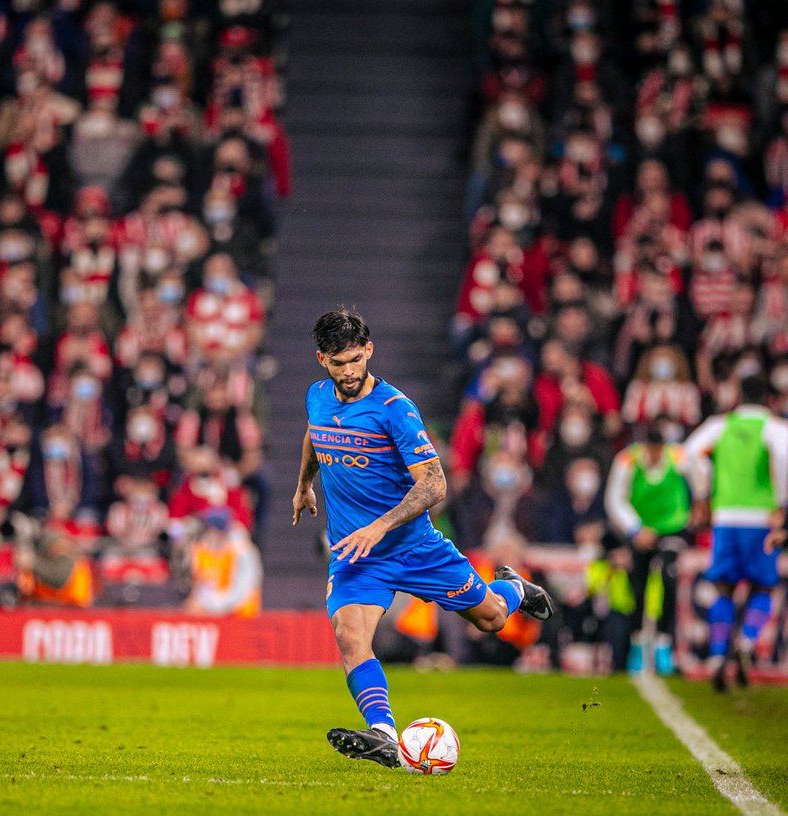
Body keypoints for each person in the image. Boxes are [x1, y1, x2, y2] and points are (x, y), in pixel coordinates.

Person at [292, 308, 553, 767]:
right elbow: (315, 436)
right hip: (358, 555)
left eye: (356, 360)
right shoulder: (317, 397)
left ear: (368, 351)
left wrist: (379, 525)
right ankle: (384, 735)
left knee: (491, 618)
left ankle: (514, 587)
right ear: (322, 360)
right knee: (350, 634)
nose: (349, 372)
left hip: (414, 548)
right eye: (339, 364)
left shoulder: (395, 409)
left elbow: (435, 484)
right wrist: (303, 486)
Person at [683, 376, 788, 692]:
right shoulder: (774, 428)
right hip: (762, 519)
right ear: (769, 400)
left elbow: (688, 453)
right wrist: (782, 502)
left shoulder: (720, 425)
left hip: (725, 517)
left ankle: (717, 657)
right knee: (764, 587)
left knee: (723, 588)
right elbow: (784, 458)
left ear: (738, 396)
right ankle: (746, 641)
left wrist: (703, 493)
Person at [603, 419, 691, 675]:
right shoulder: (627, 461)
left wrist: (698, 506)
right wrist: (635, 529)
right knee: (638, 587)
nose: (654, 455)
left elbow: (701, 477)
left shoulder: (678, 457)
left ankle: (664, 644)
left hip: (671, 527)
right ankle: (638, 644)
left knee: (669, 578)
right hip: (640, 530)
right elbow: (615, 500)